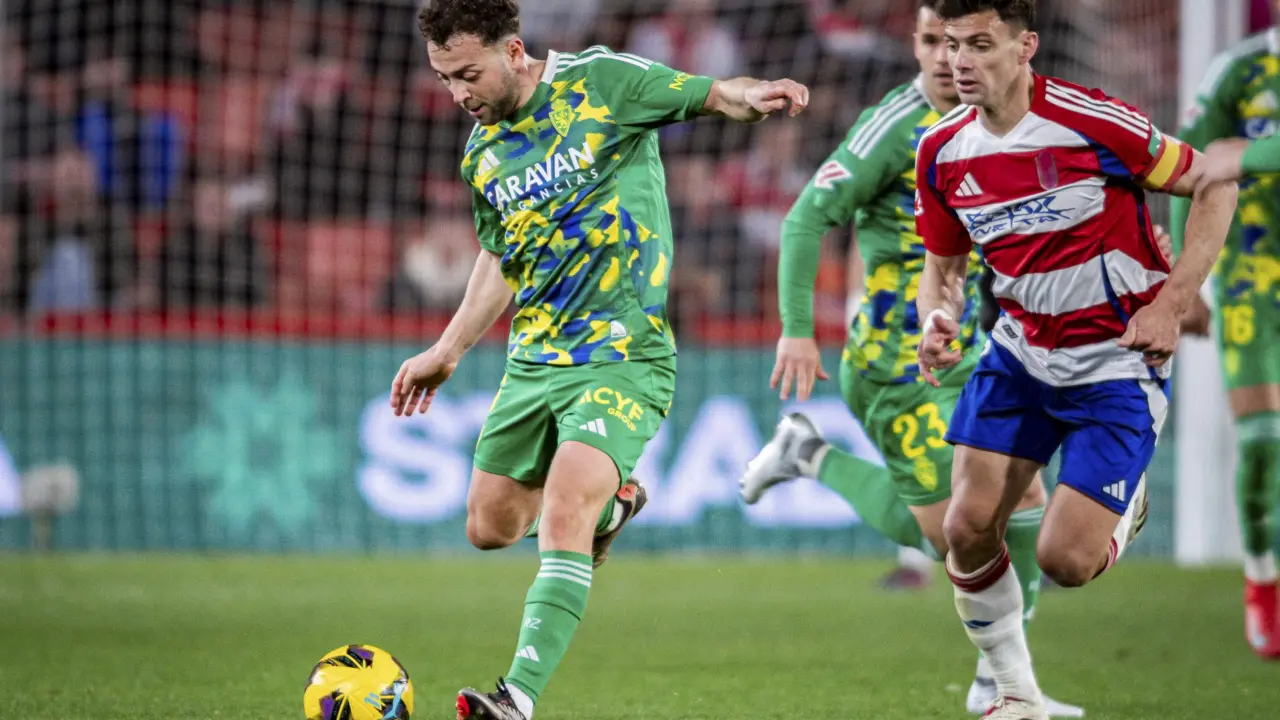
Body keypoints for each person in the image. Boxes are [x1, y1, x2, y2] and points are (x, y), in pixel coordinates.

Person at [391, 2, 809, 718]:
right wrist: (448, 349)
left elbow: (713, 94)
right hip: (534, 360)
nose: (457, 94)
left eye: (467, 74)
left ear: (512, 51)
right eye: (444, 79)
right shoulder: (482, 153)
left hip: (623, 354)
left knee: (563, 511)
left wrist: (755, 95)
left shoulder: (601, 82)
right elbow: (500, 256)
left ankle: (515, 699)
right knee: (489, 527)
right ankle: (614, 509)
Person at [740, 2, 1081, 715]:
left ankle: (1001, 686)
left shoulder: (999, 116)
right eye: (931, 42)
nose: (945, 59)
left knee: (1026, 499)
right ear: (916, 45)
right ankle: (810, 456)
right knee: (954, 539)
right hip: (896, 363)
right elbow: (805, 217)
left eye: (956, 43)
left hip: (969, 346)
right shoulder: (895, 126)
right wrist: (797, 330)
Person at [913, 1, 1237, 717]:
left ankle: (1126, 503)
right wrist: (936, 316)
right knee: (964, 528)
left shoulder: (1092, 122)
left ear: (1025, 46)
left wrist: (1172, 302)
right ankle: (1014, 695)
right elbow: (943, 266)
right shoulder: (940, 149)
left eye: (980, 44)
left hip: (1116, 359)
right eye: (952, 44)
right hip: (1021, 354)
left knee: (1066, 562)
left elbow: (1216, 181)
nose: (959, 61)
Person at [1173, 9, 1280, 658]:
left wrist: (1250, 154)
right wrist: (1183, 284)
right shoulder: (1238, 71)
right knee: (1263, 444)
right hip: (1251, 283)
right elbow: (1185, 168)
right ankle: (1263, 581)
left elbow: (1231, 158)